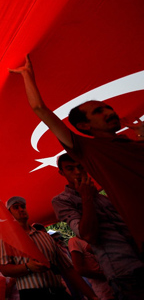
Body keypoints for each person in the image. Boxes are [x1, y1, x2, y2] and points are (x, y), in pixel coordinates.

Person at [10, 55, 144, 251]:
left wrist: (141, 134)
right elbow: (40, 109)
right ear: (83, 125)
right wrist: (26, 74)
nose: (109, 112)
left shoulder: (132, 144)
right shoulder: (89, 149)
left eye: (109, 108)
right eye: (98, 111)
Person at [51, 154, 143, 300]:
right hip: (122, 270)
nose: (77, 172)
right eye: (70, 169)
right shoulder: (62, 201)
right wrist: (86, 197)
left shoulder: (102, 196)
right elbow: (88, 236)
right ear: (61, 173)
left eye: (80, 167)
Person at [0, 196, 97, 300]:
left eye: (23, 206)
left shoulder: (45, 236)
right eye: (16, 207)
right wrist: (27, 267)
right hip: (31, 294)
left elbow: (67, 268)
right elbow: (4, 269)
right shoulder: (7, 239)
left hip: (58, 290)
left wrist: (92, 295)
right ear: (9, 214)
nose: (21, 209)